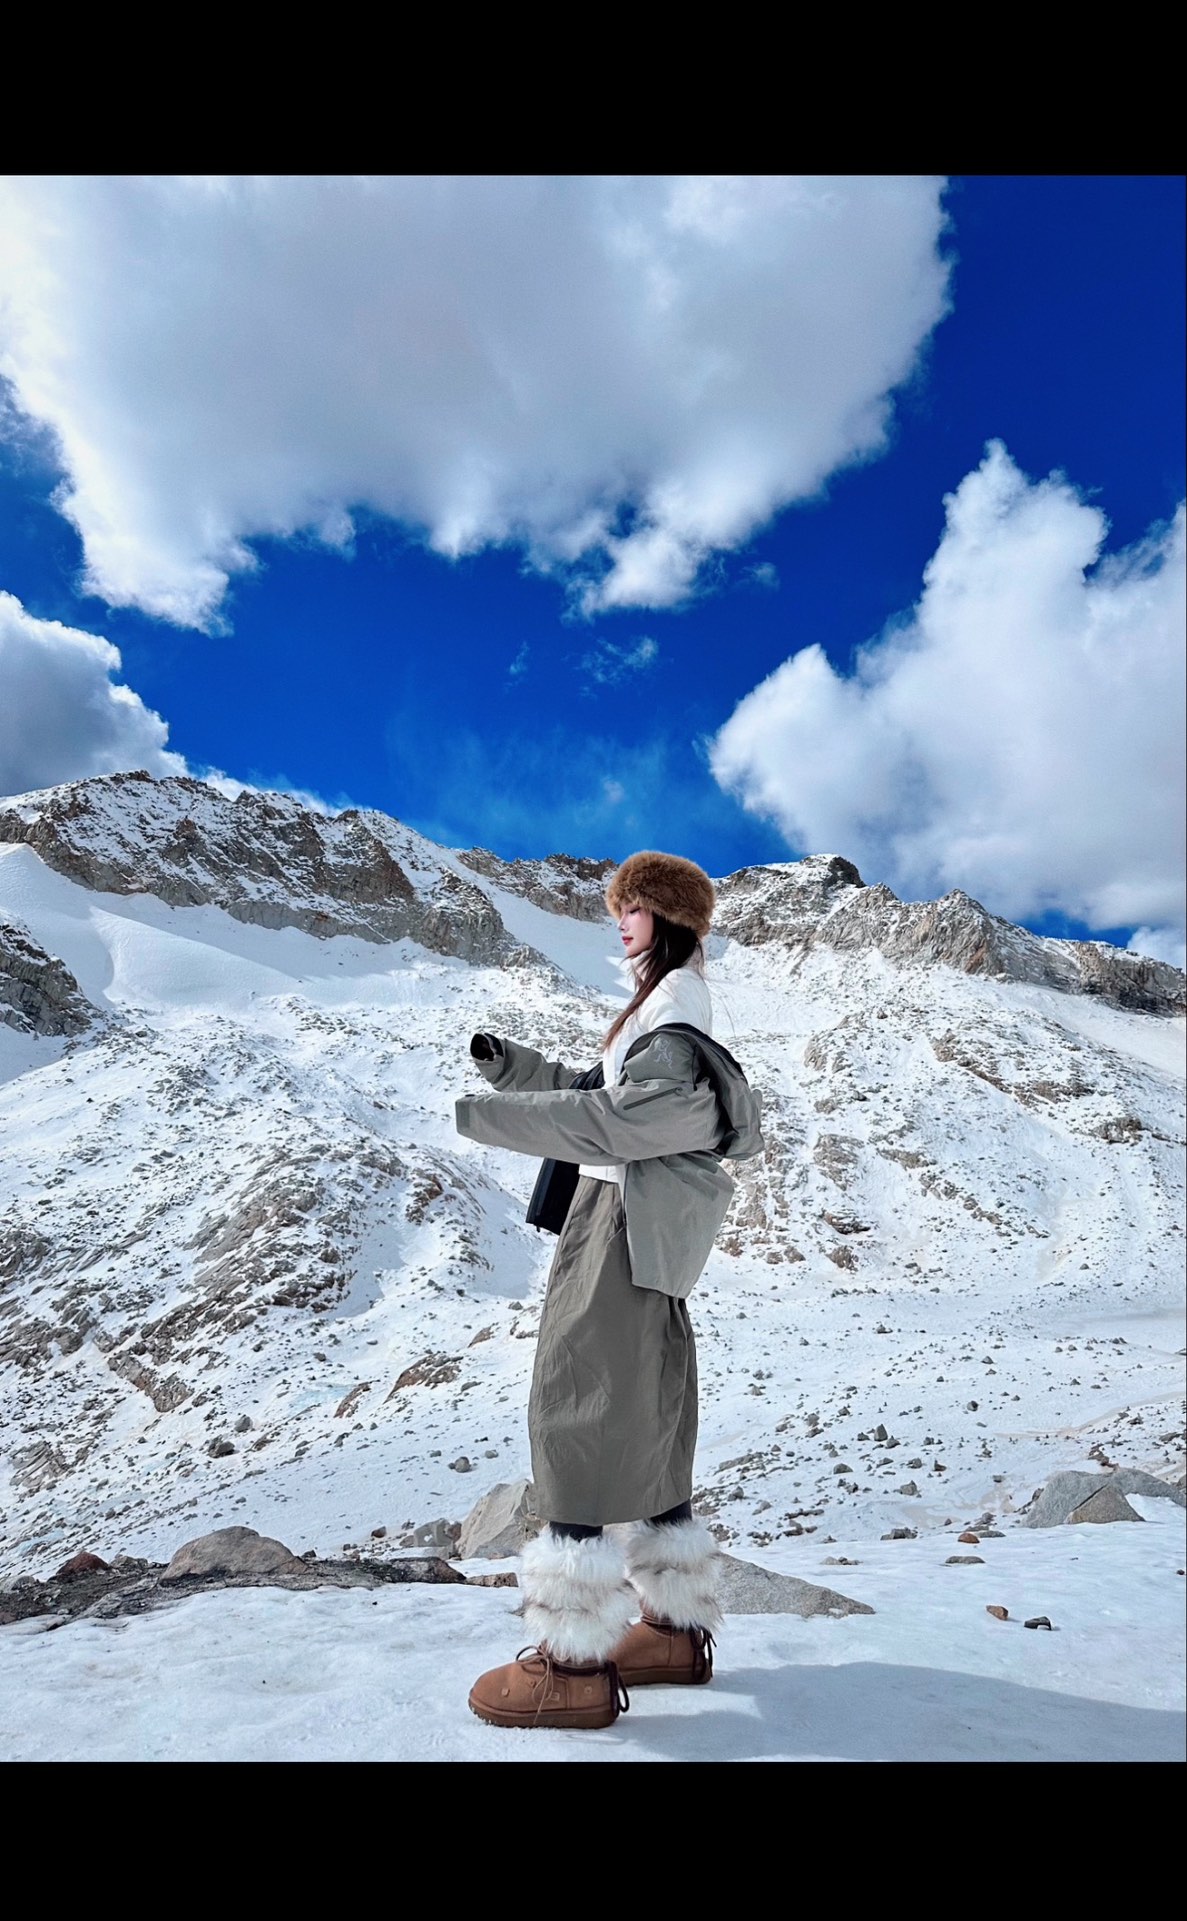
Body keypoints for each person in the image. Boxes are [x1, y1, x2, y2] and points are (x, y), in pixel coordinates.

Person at [454, 849, 764, 1729]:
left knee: (575, 1414)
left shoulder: (670, 1017)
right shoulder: (666, 1011)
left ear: (665, 915)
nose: (619, 922)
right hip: (640, 1233)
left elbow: (621, 1119)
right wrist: (509, 1068)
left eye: (631, 907)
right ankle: (670, 1629)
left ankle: (572, 1667)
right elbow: (595, 1090)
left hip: (616, 1227)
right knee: (651, 1416)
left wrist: (482, 1117)